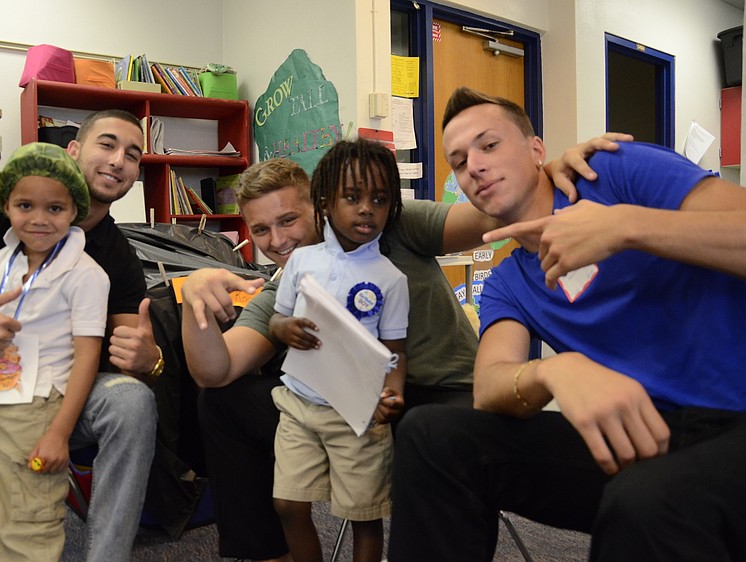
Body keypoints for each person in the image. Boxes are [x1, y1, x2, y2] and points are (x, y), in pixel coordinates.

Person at [179, 132, 624, 561]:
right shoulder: (288, 280)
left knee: (429, 430)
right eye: (260, 230)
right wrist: (193, 298)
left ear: (321, 204)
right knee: (223, 402)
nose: (277, 241)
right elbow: (214, 371)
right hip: (350, 404)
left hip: (441, 395)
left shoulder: (393, 223)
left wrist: (543, 174)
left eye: (288, 221)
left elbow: (492, 216)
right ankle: (272, 556)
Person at [387, 87, 746, 561]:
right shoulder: (510, 279)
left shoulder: (613, 171)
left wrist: (623, 227)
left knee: (644, 502)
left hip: (732, 420)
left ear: (538, 150)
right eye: (458, 161)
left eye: (489, 145)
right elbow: (490, 385)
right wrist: (555, 370)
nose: (473, 166)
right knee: (431, 435)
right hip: (639, 429)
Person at [0, 110, 159, 561]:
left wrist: (149, 358)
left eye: (132, 155)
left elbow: (119, 346)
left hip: (45, 395)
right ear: (73, 150)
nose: (118, 161)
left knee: (129, 405)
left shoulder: (104, 264)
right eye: (108, 144)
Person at [268, 140, 409, 562]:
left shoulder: (390, 278)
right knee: (288, 505)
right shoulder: (301, 261)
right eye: (353, 197)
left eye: (380, 200)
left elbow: (394, 351)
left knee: (364, 516)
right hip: (299, 405)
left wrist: (392, 394)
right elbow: (276, 320)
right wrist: (284, 329)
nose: (367, 209)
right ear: (326, 204)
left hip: (357, 415)